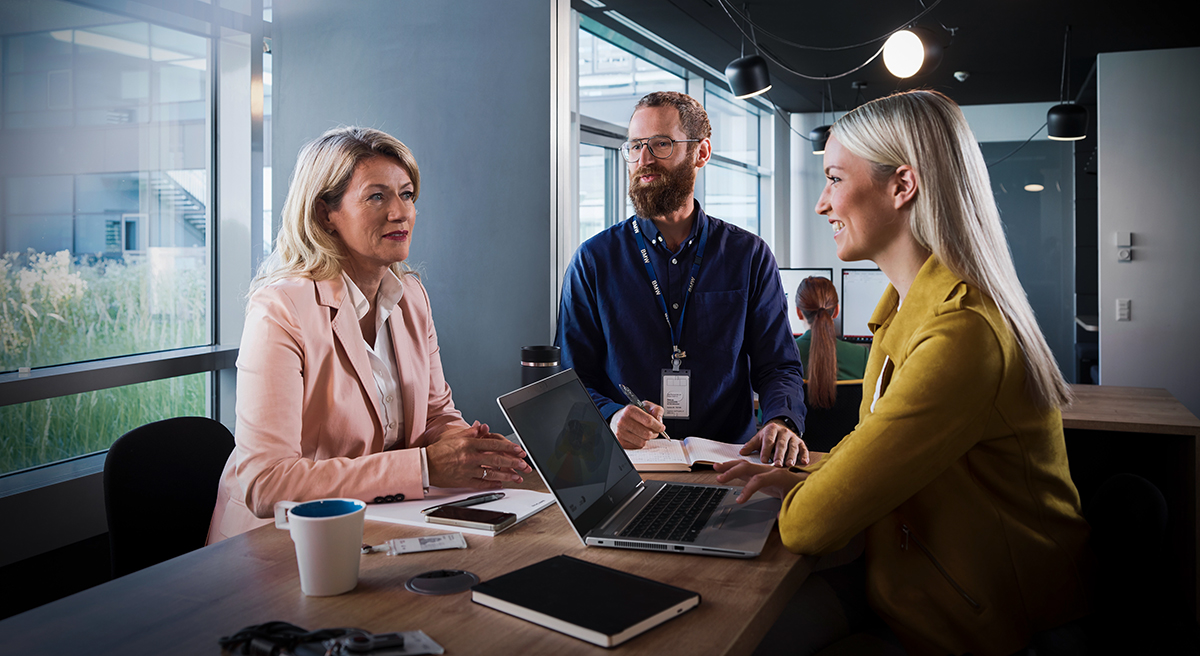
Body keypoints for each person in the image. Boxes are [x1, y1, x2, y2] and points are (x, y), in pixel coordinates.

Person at [715, 90, 1091, 656]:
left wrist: (809, 495)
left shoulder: (959, 335)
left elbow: (807, 528)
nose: (822, 204)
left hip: (990, 621)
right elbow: (869, 445)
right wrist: (812, 482)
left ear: (902, 186)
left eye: (835, 179)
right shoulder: (903, 313)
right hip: (914, 582)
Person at [207, 127, 532, 543]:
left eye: (408, 194)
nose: (401, 213)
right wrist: (427, 467)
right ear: (326, 214)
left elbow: (435, 414)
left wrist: (471, 450)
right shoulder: (281, 309)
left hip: (379, 525)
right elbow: (267, 483)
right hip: (276, 545)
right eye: (377, 196)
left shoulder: (411, 296)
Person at [555, 91, 807, 468]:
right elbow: (570, 377)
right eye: (636, 146)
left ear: (701, 153)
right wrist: (610, 415)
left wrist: (781, 421)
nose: (643, 160)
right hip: (628, 469)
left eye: (660, 144)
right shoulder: (593, 261)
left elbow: (778, 366)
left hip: (730, 466)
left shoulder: (749, 256)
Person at [793, 276, 869, 409]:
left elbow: (767, 416)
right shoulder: (862, 356)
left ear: (799, 313)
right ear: (836, 311)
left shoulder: (784, 355)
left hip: (797, 430)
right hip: (853, 430)